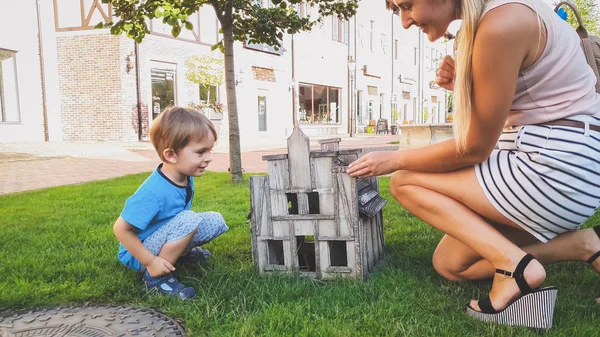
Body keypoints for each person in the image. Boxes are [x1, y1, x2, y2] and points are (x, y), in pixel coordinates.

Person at [347, 0, 600, 327]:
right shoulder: (486, 23)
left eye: (407, 5)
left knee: (405, 181)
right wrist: (467, 86)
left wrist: (395, 159)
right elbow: (514, 108)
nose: (406, 21)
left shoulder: (501, 22)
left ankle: (514, 268)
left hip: (556, 167)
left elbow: (474, 149)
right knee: (452, 265)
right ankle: (583, 245)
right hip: (566, 166)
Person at [113, 107, 229, 300]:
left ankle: (178, 255)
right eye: (201, 152)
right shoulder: (153, 192)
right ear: (171, 155)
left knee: (215, 220)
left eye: (210, 150)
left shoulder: (184, 177)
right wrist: (150, 261)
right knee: (188, 220)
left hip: (160, 240)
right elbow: (120, 229)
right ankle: (156, 278)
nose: (208, 158)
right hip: (138, 253)